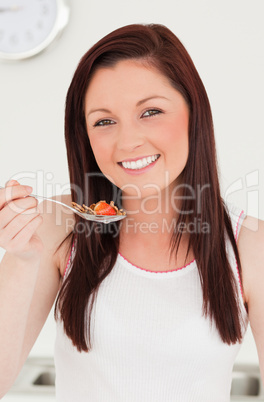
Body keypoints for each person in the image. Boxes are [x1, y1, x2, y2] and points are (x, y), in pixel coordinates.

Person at [0, 23, 263, 402]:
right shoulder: (57, 224)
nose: (128, 141)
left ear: (194, 113)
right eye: (104, 121)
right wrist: (22, 258)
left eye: (151, 111)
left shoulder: (250, 246)